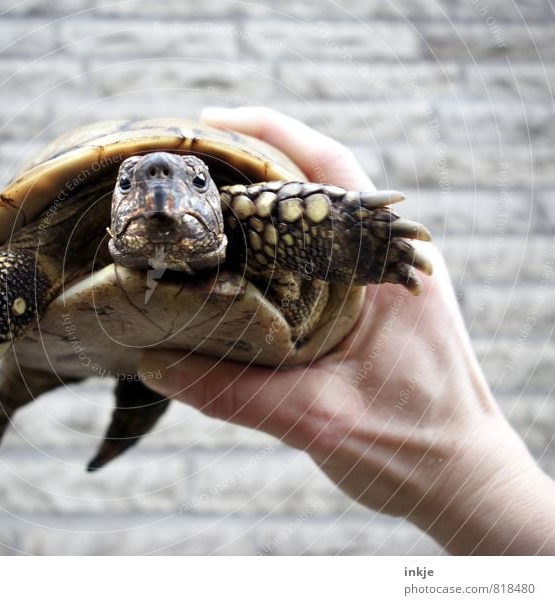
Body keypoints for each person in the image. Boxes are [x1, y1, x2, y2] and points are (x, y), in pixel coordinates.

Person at [139, 107, 555, 555]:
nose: (160, 184)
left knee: (258, 211)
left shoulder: (242, 217)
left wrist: (467, 473)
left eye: (198, 183)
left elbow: (261, 211)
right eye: (129, 184)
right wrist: (477, 478)